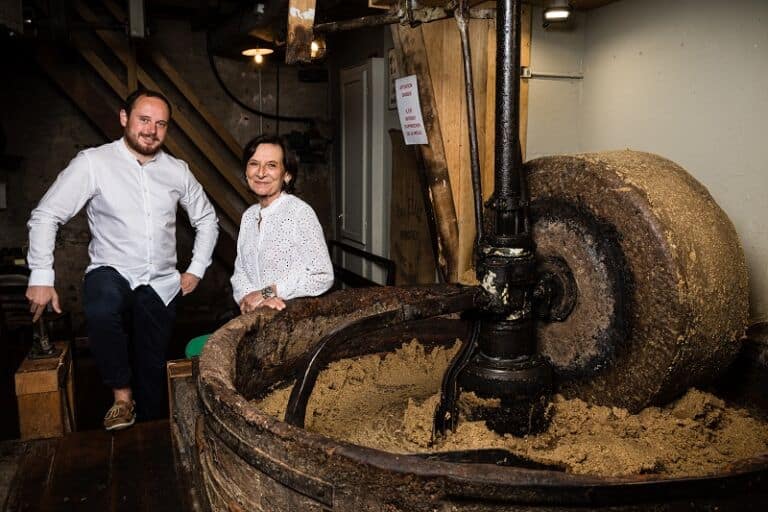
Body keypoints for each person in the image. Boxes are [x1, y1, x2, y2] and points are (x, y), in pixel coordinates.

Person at [26, 89, 219, 431]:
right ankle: (121, 397)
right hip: (112, 271)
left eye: (161, 124)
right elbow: (46, 215)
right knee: (101, 307)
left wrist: (196, 270)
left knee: (153, 366)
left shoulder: (177, 171)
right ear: (124, 118)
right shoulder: (94, 162)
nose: (151, 130)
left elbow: (206, 220)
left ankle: (147, 432)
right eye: (144, 120)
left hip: (161, 282)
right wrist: (41, 275)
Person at [231, 134, 333, 313]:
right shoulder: (249, 216)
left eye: (271, 165)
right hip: (256, 317)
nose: (261, 173)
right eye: (254, 163)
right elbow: (240, 273)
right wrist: (248, 299)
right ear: (246, 171)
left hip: (293, 319)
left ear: (286, 175)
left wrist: (266, 293)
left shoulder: (299, 213)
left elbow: (322, 275)